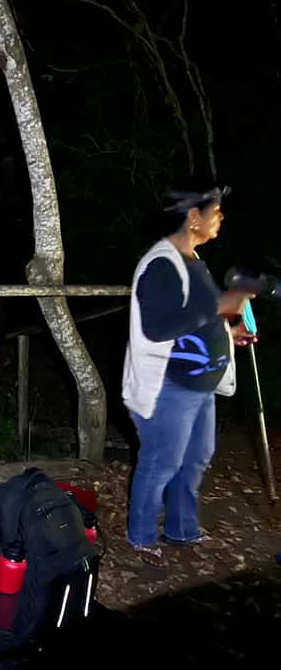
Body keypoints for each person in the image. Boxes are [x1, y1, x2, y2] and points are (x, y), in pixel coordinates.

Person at [122, 184, 255, 561]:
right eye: (216, 211)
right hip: (169, 385)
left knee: (196, 456)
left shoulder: (194, 260)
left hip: (200, 385)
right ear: (193, 216)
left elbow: (196, 320)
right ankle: (142, 537)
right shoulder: (161, 263)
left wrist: (229, 333)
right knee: (162, 460)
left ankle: (182, 530)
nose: (221, 218)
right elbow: (158, 327)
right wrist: (220, 304)